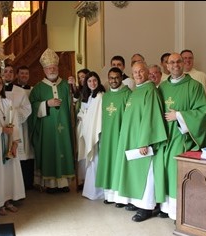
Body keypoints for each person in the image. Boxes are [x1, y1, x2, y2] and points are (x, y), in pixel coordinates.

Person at [114, 61, 167, 222]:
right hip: (132, 140)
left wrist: (145, 142)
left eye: (140, 71)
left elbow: (150, 118)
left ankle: (146, 207)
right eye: (134, 72)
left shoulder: (150, 91)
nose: (137, 74)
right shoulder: (136, 91)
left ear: (147, 73)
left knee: (147, 173)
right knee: (136, 172)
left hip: (142, 143)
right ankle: (138, 202)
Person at [158, 53, 206, 220]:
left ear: (184, 64)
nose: (175, 65)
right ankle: (166, 208)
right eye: (171, 62)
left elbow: (202, 111)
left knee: (175, 171)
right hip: (164, 136)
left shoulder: (194, 86)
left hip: (182, 138)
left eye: (178, 61)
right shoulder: (162, 87)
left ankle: (179, 211)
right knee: (163, 169)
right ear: (166, 66)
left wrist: (179, 115)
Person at [28, 48, 75, 193]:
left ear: (58, 68)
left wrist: (74, 87)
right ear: (44, 70)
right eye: (49, 68)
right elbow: (32, 107)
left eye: (54, 67)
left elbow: (75, 102)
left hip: (65, 126)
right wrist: (46, 104)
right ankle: (50, 185)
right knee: (50, 152)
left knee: (64, 149)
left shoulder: (66, 85)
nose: (52, 69)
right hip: (47, 128)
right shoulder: (37, 88)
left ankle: (64, 184)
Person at [0, 74, 24, 215]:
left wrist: (14, 143)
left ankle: (8, 200)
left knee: (9, 173)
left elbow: (16, 123)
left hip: (8, 141)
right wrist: (2, 130)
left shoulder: (8, 102)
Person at [95, 67, 132, 205]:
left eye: (116, 77)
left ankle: (121, 198)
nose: (113, 81)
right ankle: (109, 195)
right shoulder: (106, 96)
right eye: (111, 78)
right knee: (109, 163)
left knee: (119, 164)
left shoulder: (128, 94)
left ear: (121, 77)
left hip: (120, 136)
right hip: (107, 137)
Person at [180, 49, 206, 145]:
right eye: (184, 58)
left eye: (190, 58)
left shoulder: (201, 76)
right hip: (182, 121)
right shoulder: (175, 78)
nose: (187, 60)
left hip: (200, 121)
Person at [3, 64, 33, 192]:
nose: (8, 74)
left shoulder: (19, 91)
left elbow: (27, 108)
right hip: (2, 128)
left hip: (17, 127)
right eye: (6, 71)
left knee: (21, 155)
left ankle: (23, 186)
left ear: (14, 75)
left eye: (11, 72)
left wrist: (14, 115)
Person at [76, 71, 106, 200]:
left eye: (94, 80)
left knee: (96, 159)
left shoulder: (100, 96)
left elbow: (97, 116)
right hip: (88, 130)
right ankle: (91, 190)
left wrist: (85, 116)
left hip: (96, 133)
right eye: (89, 81)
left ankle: (98, 192)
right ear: (86, 83)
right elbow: (83, 112)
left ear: (98, 81)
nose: (92, 83)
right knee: (92, 161)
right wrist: (83, 115)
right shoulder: (87, 96)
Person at [11, 65, 35, 190]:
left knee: (29, 150)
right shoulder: (11, 90)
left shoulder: (33, 89)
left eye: (26, 73)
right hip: (16, 125)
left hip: (28, 124)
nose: (24, 76)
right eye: (21, 73)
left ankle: (29, 182)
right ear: (17, 75)